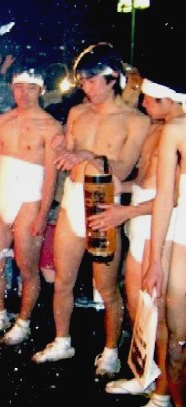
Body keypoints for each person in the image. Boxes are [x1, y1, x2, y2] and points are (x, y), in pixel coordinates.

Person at [31, 43, 150, 379]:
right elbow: (68, 152)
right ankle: (62, 341)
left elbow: (123, 170)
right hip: (73, 199)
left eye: (92, 80)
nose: (86, 86)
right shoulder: (77, 113)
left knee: (107, 287)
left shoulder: (135, 121)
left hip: (102, 202)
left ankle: (111, 351)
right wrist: (62, 147)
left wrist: (88, 155)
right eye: (82, 80)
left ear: (112, 79)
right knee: (63, 280)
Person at [99, 77, 182, 407]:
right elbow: (144, 179)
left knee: (157, 315)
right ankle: (144, 374)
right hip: (138, 217)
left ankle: (162, 393)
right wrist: (117, 186)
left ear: (169, 100)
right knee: (138, 307)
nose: (143, 103)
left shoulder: (177, 133)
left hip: (158, 224)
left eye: (149, 98)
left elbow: (172, 197)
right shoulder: (155, 129)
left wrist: (126, 211)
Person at [0, 66, 62, 340]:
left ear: (41, 90)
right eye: (19, 87)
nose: (24, 94)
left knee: (27, 266)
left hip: (30, 197)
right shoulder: (3, 121)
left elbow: (51, 175)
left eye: (31, 88)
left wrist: (43, 213)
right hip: (2, 194)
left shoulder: (50, 126)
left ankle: (23, 323)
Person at [145, 78, 186, 407]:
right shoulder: (176, 130)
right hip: (182, 235)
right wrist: (156, 261)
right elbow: (164, 198)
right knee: (177, 341)